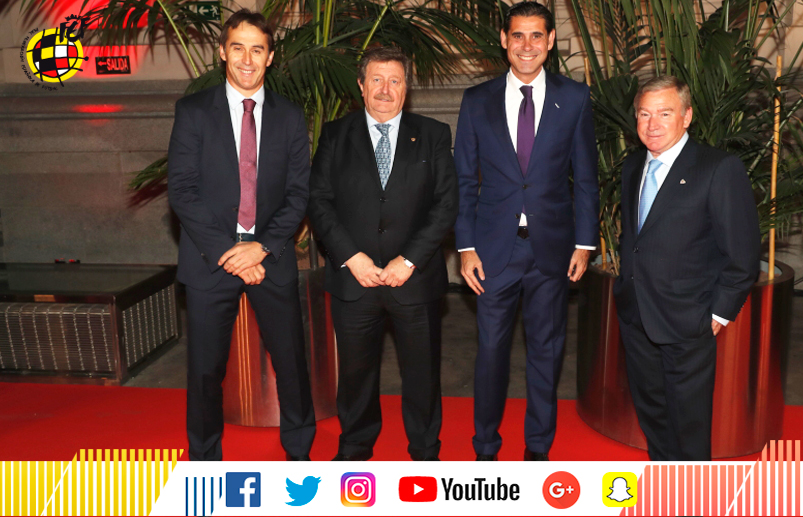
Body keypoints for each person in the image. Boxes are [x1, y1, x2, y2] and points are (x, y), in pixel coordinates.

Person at [453, 1, 599, 461]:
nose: (527, 45)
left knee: (546, 354)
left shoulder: (574, 98)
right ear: (504, 40)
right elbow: (463, 180)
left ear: (551, 41)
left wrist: (585, 243)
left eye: (537, 35)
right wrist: (465, 246)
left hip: (552, 251)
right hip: (493, 252)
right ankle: (485, 448)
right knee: (490, 353)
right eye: (518, 35)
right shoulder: (477, 100)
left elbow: (586, 177)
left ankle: (538, 450)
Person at [167, 9, 315, 461]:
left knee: (291, 364)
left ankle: (300, 457)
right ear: (222, 52)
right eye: (238, 48)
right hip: (210, 259)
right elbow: (183, 190)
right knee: (205, 371)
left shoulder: (290, 116)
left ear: (270, 57)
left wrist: (260, 248)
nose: (247, 60)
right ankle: (205, 462)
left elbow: (298, 194)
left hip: (271, 257)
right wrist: (230, 251)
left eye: (257, 49)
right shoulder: (193, 112)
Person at [308, 46, 458, 461]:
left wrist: (408, 260)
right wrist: (351, 257)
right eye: (376, 79)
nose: (385, 89)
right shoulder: (335, 135)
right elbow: (318, 201)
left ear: (407, 88)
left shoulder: (433, 134)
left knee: (422, 374)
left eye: (395, 80)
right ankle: (355, 446)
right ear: (361, 85)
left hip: (414, 280)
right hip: (354, 280)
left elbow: (446, 204)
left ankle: (425, 450)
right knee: (355, 373)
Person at [613, 75, 761, 461]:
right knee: (653, 415)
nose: (653, 124)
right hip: (636, 315)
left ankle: (693, 491)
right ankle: (665, 482)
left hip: (689, 319)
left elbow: (743, 253)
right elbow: (635, 238)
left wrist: (719, 313)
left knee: (689, 424)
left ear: (687, 116)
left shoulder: (718, 168)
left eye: (665, 113)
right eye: (644, 114)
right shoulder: (633, 165)